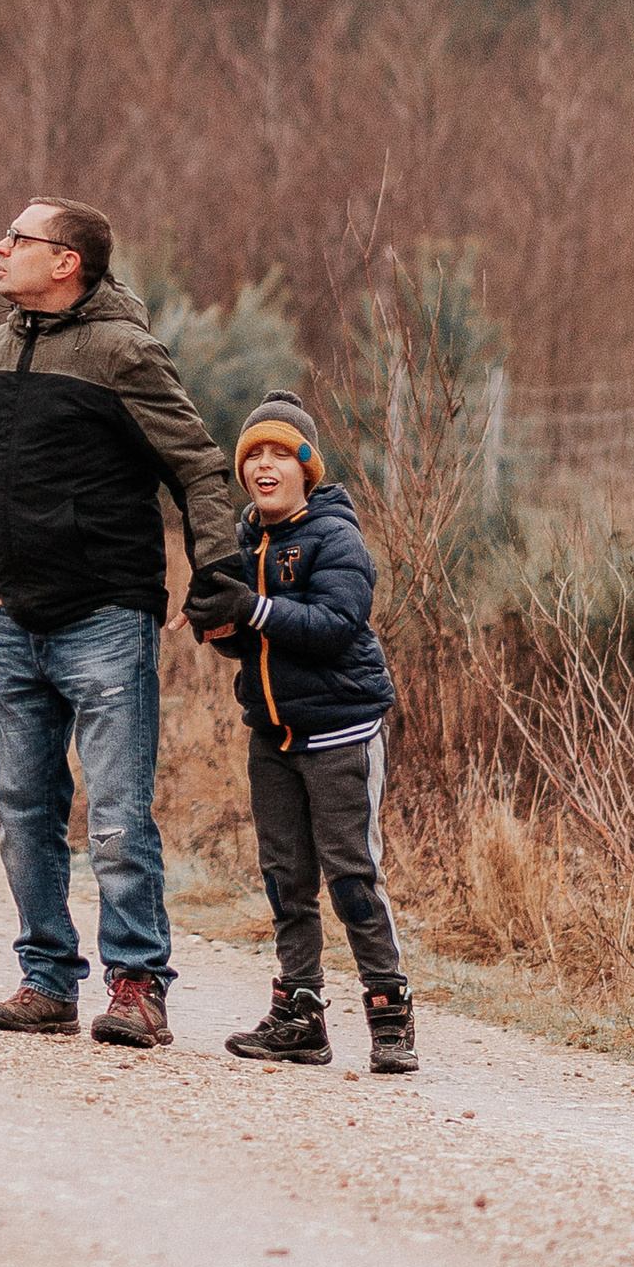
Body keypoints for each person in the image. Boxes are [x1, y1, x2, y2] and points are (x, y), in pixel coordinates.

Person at [0, 198, 251, 1046]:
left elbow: (197, 465)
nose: (0, 246)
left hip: (105, 617)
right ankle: (46, 980)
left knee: (119, 816)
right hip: (15, 619)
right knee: (22, 814)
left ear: (67, 262)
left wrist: (217, 576)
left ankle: (136, 987)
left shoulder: (122, 351)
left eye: (18, 238)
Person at [192, 391, 417, 1075]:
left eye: (279, 454)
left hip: (342, 733)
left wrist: (253, 609)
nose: (263, 466)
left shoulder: (335, 537)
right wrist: (221, 627)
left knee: (352, 877)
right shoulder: (245, 539)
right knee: (287, 881)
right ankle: (299, 1016)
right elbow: (255, 643)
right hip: (273, 736)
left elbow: (332, 628)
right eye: (252, 455)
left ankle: (390, 1013)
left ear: (307, 468)